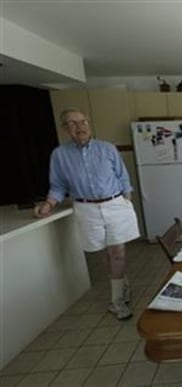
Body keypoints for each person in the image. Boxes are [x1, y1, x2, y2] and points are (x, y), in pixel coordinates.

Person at [33, 107, 140, 320]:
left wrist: (126, 200)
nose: (79, 127)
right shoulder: (59, 155)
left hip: (114, 204)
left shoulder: (107, 148)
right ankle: (123, 285)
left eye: (82, 122)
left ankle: (116, 301)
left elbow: (122, 176)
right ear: (65, 128)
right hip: (86, 208)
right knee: (104, 253)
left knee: (117, 251)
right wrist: (48, 204)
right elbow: (58, 186)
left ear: (88, 123)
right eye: (72, 123)